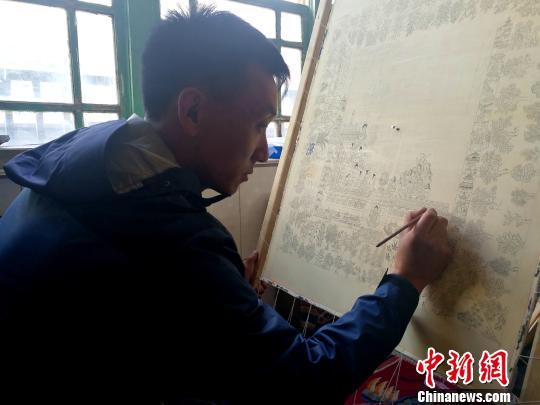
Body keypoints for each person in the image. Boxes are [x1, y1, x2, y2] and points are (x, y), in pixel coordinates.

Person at [0, 5, 452, 404]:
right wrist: (404, 281)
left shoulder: (84, 162)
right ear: (193, 111)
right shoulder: (167, 236)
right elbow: (303, 381)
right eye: (259, 124)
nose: (263, 151)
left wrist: (221, 292)